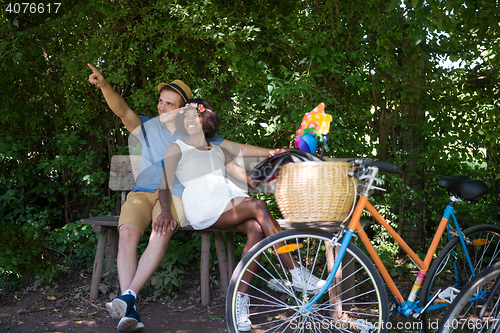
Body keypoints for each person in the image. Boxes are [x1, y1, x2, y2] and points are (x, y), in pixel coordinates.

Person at [87, 64, 286, 332]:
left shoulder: (193, 132)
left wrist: (271, 152)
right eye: (160, 101)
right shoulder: (147, 126)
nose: (161, 107)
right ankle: (129, 306)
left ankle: (127, 302)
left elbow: (233, 149)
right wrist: (104, 86)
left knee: (162, 230)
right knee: (126, 235)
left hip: (174, 197)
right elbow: (122, 110)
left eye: (169, 104)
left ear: (183, 109)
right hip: (141, 194)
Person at [158, 100, 326, 332]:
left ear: (205, 121)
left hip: (226, 201)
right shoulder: (176, 148)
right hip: (202, 202)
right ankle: (296, 272)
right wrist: (165, 212)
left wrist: (279, 159)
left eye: (194, 116)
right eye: (185, 117)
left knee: (256, 230)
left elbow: (251, 180)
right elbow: (164, 185)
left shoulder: (218, 151)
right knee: (257, 206)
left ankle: (239, 300)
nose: (189, 120)